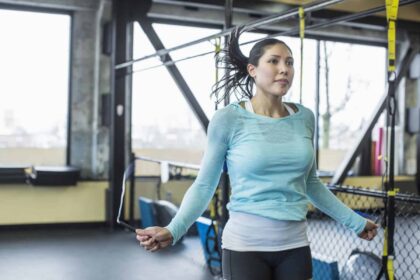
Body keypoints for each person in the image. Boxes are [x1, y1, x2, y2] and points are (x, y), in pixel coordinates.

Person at [135, 27, 378, 280]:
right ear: (252, 70)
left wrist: (355, 222)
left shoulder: (305, 118)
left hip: (295, 245)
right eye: (274, 61)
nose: (284, 69)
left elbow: (311, 184)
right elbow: (205, 184)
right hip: (245, 247)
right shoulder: (228, 118)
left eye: (289, 62)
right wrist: (174, 230)